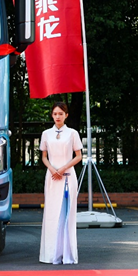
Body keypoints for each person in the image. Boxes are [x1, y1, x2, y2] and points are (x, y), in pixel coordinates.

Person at [39, 101, 83, 265]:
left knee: (67, 214)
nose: (58, 116)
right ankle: (51, 254)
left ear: (66, 115)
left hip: (68, 176)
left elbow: (78, 156)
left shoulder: (72, 133)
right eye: (55, 113)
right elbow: (44, 156)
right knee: (51, 215)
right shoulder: (46, 134)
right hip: (52, 177)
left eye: (61, 114)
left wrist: (63, 168)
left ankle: (67, 254)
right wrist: (52, 169)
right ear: (52, 115)